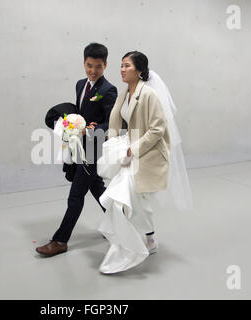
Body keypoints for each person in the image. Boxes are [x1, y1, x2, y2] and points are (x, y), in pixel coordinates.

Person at [97, 51, 193, 274]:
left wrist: (133, 148)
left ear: (139, 71)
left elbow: (158, 129)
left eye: (127, 65)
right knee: (129, 200)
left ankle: (133, 245)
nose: (122, 69)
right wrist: (111, 145)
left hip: (148, 155)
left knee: (127, 199)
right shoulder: (125, 94)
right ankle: (139, 240)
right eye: (121, 65)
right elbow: (115, 118)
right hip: (130, 154)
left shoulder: (148, 95)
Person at [36, 43, 118, 257]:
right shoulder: (80, 84)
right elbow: (80, 112)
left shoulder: (109, 90)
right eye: (89, 65)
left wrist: (88, 131)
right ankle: (120, 224)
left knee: (75, 196)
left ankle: (60, 240)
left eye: (98, 66)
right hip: (79, 147)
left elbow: (113, 123)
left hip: (94, 149)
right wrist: (69, 124)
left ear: (105, 65)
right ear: (84, 63)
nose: (93, 71)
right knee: (98, 190)